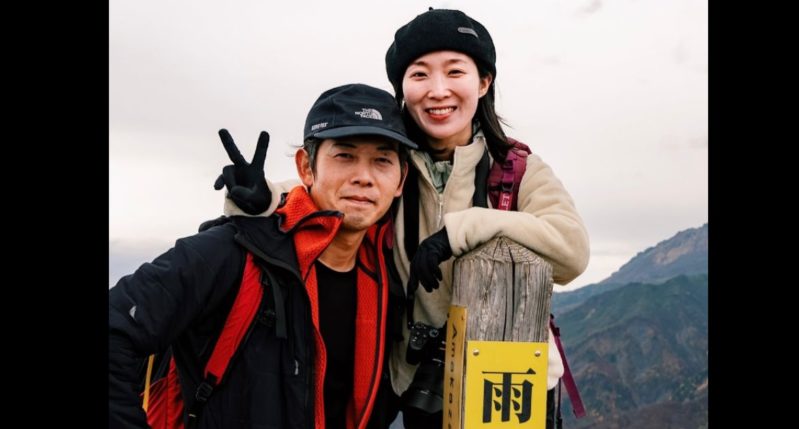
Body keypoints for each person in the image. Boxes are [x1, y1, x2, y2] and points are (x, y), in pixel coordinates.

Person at [216, 8, 590, 429]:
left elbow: (572, 252)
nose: (438, 90)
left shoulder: (517, 171)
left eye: (455, 72)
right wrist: (258, 199)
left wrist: (463, 230)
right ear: (402, 89)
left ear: (483, 82)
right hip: (410, 376)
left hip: (503, 376)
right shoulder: (390, 163)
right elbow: (325, 191)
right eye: (419, 75)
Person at [109, 83, 417, 429]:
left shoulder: (389, 280)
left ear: (401, 179)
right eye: (344, 156)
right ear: (306, 167)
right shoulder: (232, 253)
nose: (364, 177)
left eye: (382, 160)